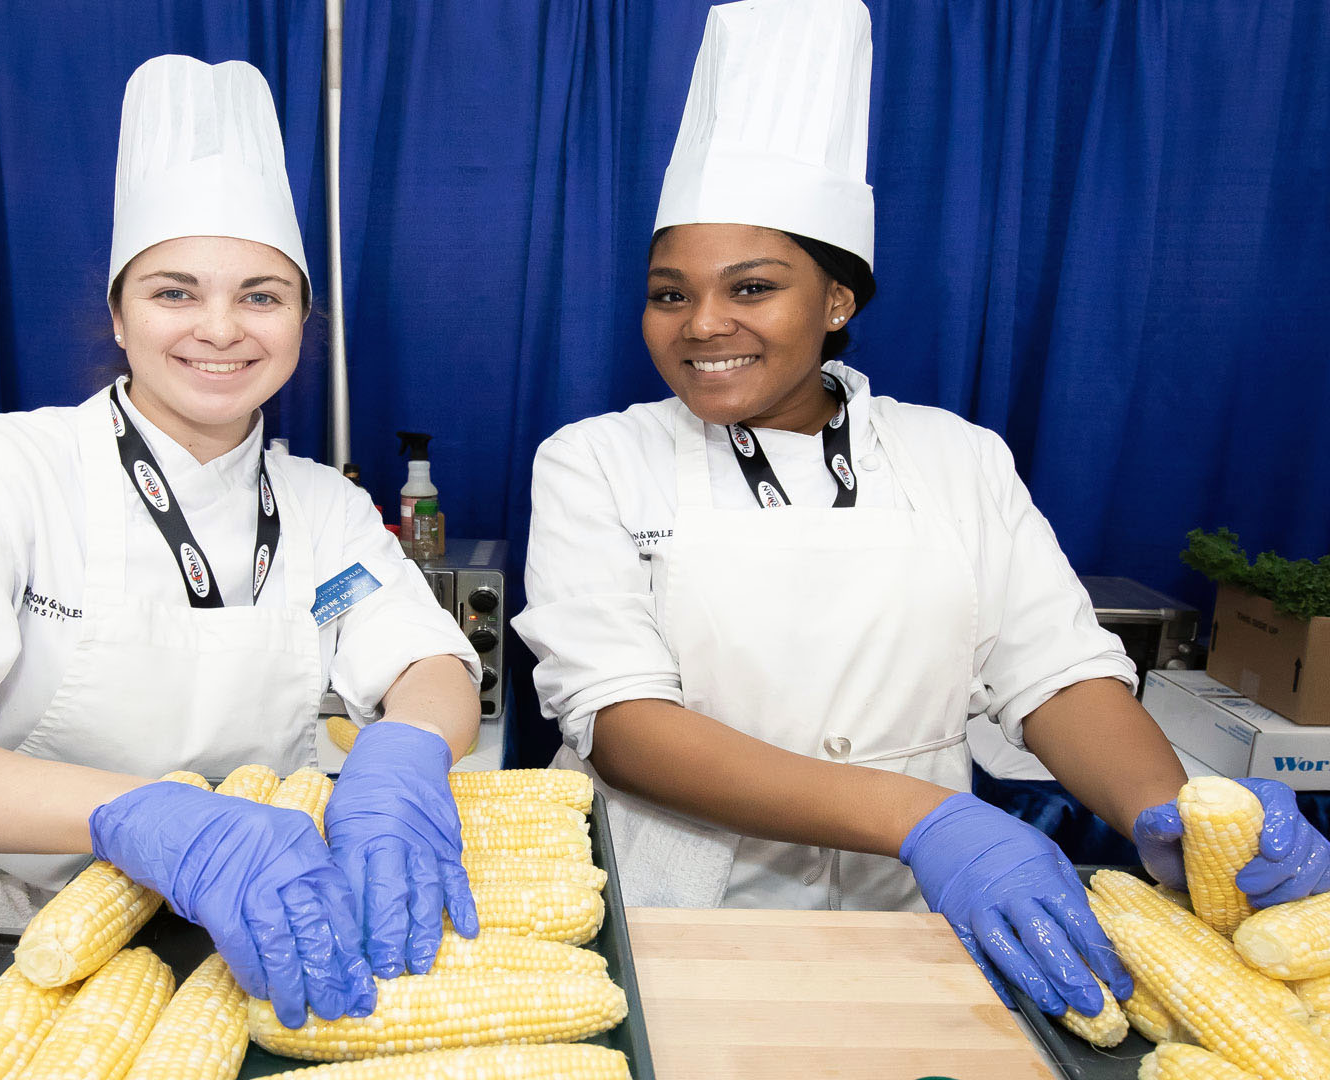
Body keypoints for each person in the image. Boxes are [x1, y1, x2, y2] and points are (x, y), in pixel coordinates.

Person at [515, 0, 1330, 1020]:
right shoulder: (595, 461)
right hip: (670, 913)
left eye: (753, 287)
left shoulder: (956, 457)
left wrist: (1168, 813)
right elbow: (627, 726)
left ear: (838, 301)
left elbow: (1056, 675)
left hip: (926, 918)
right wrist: (930, 818)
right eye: (668, 293)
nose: (702, 324)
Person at [0, 55, 481, 1028]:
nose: (221, 329)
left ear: (305, 318)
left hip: (231, 948)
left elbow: (427, 655)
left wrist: (407, 745)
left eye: (263, 295)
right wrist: (136, 814)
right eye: (175, 292)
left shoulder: (324, 508)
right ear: (117, 311)